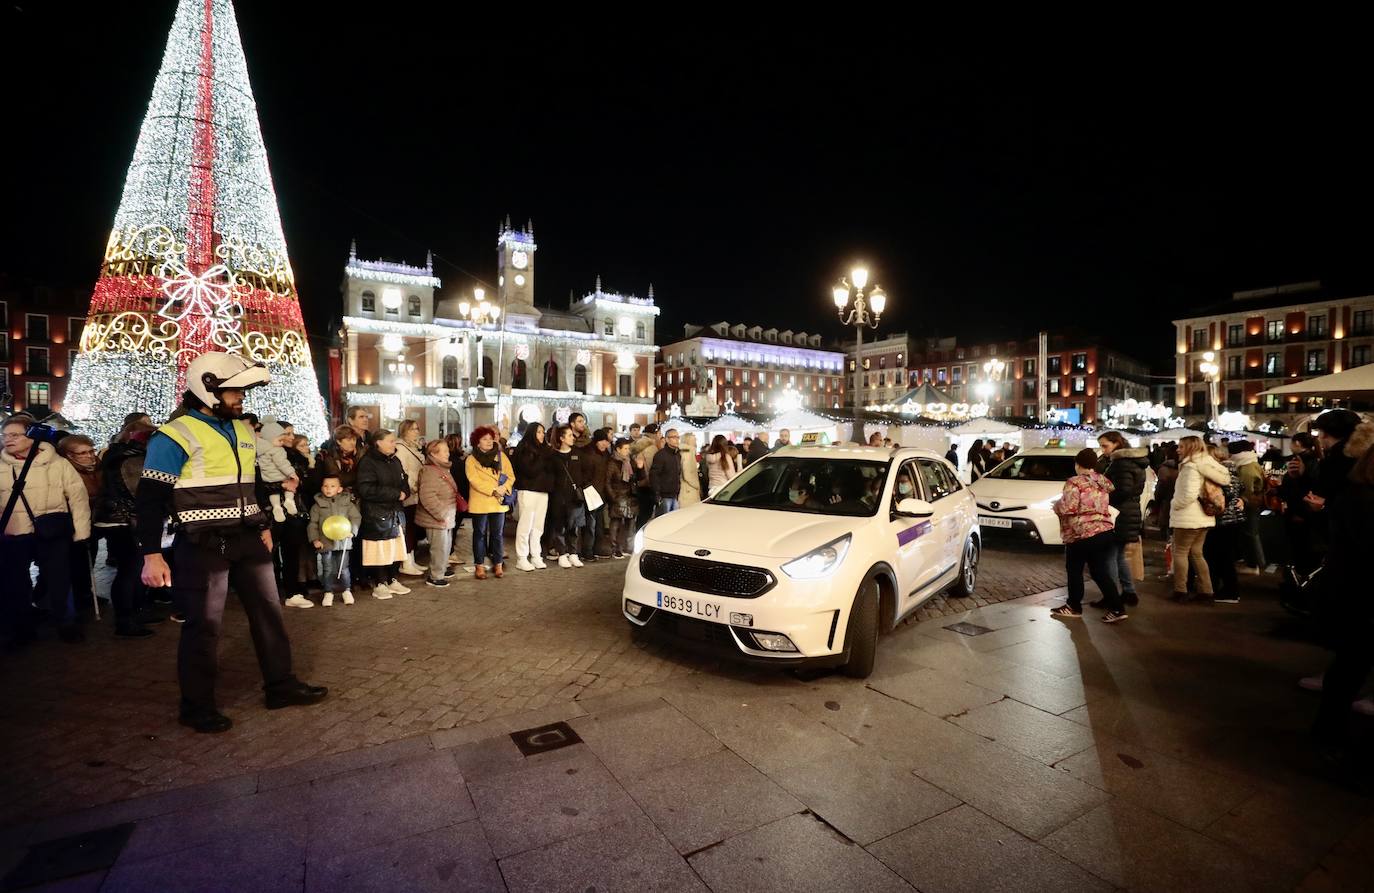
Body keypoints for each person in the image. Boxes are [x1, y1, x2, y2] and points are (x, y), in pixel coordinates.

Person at [136, 353, 326, 733]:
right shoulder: (174, 435)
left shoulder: (241, 429)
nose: (240, 397)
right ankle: (196, 706)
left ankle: (281, 686)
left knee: (270, 614)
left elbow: (251, 485)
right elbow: (150, 498)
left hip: (247, 537)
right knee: (203, 626)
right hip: (202, 542)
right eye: (233, 390)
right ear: (206, 389)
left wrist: (263, 524)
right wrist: (152, 555)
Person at [1312, 422, 1374, 763]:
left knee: (1349, 664)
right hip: (1357, 595)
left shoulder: (1353, 497)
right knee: (1351, 664)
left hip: (1347, 592)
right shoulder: (1363, 501)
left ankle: (1328, 728)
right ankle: (1330, 731)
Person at [2, 417, 92, 646]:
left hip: (52, 531)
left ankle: (66, 622)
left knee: (60, 579)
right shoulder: (1, 465)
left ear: (32, 436)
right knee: (16, 583)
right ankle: (23, 627)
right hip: (13, 534)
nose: (7, 439)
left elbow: (78, 498)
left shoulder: (57, 464)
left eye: (15, 435)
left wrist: (81, 532)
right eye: (5, 434)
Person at [93, 418, 158, 637]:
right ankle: (125, 619)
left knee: (134, 569)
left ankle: (135, 613)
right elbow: (141, 491)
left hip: (119, 518)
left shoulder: (118, 454)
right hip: (123, 520)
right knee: (129, 570)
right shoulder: (132, 458)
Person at [1050, 448, 1127, 623]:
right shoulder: (1102, 481)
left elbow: (1068, 507)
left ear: (1078, 464)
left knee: (1074, 569)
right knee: (1100, 572)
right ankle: (1117, 608)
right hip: (1104, 531)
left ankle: (1074, 606)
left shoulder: (1074, 482)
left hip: (1081, 533)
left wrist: (1056, 506)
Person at [1168, 435, 1231, 604]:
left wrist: (1174, 504)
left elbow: (1188, 494)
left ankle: (1180, 590)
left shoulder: (1191, 467)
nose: (1178, 449)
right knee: (1197, 554)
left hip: (1188, 517)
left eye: (1181, 446)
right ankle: (1206, 591)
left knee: (1180, 552)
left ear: (1190, 448)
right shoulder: (1207, 464)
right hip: (1203, 517)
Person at [355, 429, 411, 599]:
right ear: (378, 442)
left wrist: (404, 492)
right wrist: (395, 494)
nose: (394, 444)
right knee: (379, 549)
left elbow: (404, 480)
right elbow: (366, 489)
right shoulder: (368, 462)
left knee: (395, 547)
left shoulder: (394, 460)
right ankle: (379, 583)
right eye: (391, 441)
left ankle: (392, 579)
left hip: (395, 511)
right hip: (377, 513)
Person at [1097, 432, 1148, 607]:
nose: (1103, 450)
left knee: (1109, 557)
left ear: (1116, 444)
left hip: (1119, 515)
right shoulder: (1133, 462)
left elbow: (1122, 490)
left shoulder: (1121, 464)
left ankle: (1111, 596)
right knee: (1119, 556)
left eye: (1105, 446)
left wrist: (1104, 498)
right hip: (1129, 513)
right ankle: (1129, 592)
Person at [58, 435, 103, 618]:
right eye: (83, 453)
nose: (90, 456)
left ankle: (85, 592)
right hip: (72, 521)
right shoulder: (64, 470)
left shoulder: (98, 467)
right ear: (69, 455)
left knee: (89, 558)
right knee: (74, 562)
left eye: (91, 450)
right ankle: (75, 596)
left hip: (93, 519)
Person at [466, 426, 515, 579]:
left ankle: (498, 564)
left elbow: (511, 476)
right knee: (479, 534)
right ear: (477, 442)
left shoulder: (501, 457)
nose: (489, 441)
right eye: (484, 439)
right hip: (480, 501)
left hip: (498, 501)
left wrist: (503, 488)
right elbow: (474, 480)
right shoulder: (471, 459)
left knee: (498, 534)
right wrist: (493, 489)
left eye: (490, 438)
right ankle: (479, 565)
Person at [416, 439, 465, 587]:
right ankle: (435, 576)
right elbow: (427, 497)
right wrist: (442, 514)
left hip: (445, 517)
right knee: (439, 548)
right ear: (433, 454)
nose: (448, 453)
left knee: (445, 545)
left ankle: (441, 569)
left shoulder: (442, 468)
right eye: (444, 451)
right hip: (437, 518)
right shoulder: (430, 471)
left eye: (447, 450)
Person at [307, 474, 361, 606]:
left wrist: (352, 532)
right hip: (325, 541)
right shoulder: (317, 506)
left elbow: (356, 518)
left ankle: (346, 590)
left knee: (344, 568)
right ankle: (328, 592)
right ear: (321, 488)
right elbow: (313, 524)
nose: (328, 489)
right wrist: (315, 539)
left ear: (339, 489)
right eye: (325, 486)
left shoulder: (347, 504)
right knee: (327, 568)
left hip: (343, 542)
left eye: (332, 486)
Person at [1204, 444, 1246, 605]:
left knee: (1220, 557)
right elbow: (1241, 490)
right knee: (1223, 557)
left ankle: (1230, 591)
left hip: (1223, 520)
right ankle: (1224, 589)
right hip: (1234, 519)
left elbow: (1222, 497)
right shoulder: (1233, 473)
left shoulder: (1219, 475)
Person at [510, 423, 553, 572]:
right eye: (539, 432)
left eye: (543, 432)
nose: (542, 435)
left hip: (542, 491)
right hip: (528, 490)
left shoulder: (545, 450)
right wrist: (543, 456)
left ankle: (536, 554)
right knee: (525, 525)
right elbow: (530, 470)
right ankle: (522, 557)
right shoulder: (524, 449)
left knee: (538, 526)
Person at [548, 424, 587, 567]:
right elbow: (550, 475)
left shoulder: (577, 454)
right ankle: (562, 553)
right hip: (558, 496)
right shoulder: (553, 456)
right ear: (561, 438)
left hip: (575, 497)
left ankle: (573, 553)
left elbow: (583, 473)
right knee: (560, 526)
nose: (573, 438)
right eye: (569, 435)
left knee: (574, 526)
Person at [394, 419, 427, 577]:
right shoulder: (401, 448)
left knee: (412, 528)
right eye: (412, 429)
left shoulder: (413, 447)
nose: (416, 431)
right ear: (404, 431)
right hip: (408, 494)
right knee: (407, 529)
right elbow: (403, 472)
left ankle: (411, 559)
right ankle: (405, 561)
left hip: (415, 494)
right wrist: (411, 486)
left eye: (417, 428)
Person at [1228, 441, 1267, 574]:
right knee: (1249, 532)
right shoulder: (1250, 463)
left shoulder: (1246, 467)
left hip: (1249, 503)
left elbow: (1246, 489)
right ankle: (1253, 562)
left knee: (1250, 533)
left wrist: (1242, 500)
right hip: (1252, 502)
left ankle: (1254, 564)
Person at [254, 420, 301, 524]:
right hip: (280, 477)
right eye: (281, 439)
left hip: (267, 479)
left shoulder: (260, 450)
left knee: (273, 493)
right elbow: (282, 464)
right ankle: (289, 500)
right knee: (290, 487)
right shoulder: (277, 450)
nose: (282, 442)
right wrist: (292, 474)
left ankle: (276, 506)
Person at [606, 437, 643, 558]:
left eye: (628, 448)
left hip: (630, 496)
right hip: (618, 496)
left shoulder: (630, 461)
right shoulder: (613, 462)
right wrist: (613, 497)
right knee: (616, 523)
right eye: (625, 448)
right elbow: (608, 482)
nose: (628, 451)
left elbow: (638, 478)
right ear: (618, 449)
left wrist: (640, 468)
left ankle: (628, 547)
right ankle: (615, 548)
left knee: (630, 523)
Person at [584, 429, 614, 559]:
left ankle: (597, 548)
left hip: (601, 494)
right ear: (596, 441)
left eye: (606, 441)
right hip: (591, 493)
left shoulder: (606, 454)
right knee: (590, 524)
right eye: (602, 441)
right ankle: (587, 551)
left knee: (599, 525)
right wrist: (588, 489)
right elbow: (584, 475)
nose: (604, 444)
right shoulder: (588, 454)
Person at [631, 424, 660, 531]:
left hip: (638, 484)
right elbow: (653, 468)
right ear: (655, 434)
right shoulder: (651, 448)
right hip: (647, 485)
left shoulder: (637, 445)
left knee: (641, 514)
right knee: (646, 514)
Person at [651, 428, 684, 516]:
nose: (677, 440)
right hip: (664, 496)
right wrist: (657, 495)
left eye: (678, 437)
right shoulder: (660, 455)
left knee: (674, 521)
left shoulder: (677, 454)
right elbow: (654, 476)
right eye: (674, 437)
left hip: (674, 494)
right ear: (666, 439)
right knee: (663, 522)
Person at [677, 432, 702, 509]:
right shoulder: (688, 453)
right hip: (688, 490)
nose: (696, 442)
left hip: (686, 489)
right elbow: (687, 474)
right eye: (694, 440)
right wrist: (697, 485)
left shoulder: (683, 452)